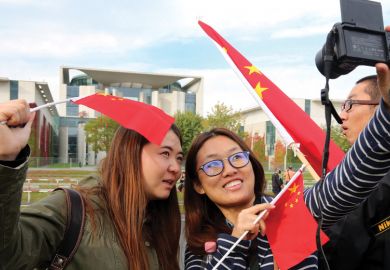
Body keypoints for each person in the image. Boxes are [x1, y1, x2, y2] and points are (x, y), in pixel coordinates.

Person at [183, 62, 390, 269]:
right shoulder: (198, 246)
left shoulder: (290, 211)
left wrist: (388, 110)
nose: (229, 170)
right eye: (212, 165)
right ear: (198, 185)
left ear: (252, 165)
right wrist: (237, 242)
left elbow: (351, 175)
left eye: (237, 158)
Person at [0, 99, 184, 270]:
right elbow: (7, 255)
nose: (176, 168)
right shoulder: (72, 210)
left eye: (179, 158)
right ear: (130, 154)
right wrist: (7, 159)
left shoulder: (160, 222)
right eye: (165, 154)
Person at [322, 74, 390, 269]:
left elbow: (333, 254)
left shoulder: (363, 183)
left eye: (350, 104)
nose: (342, 115)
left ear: (381, 108)